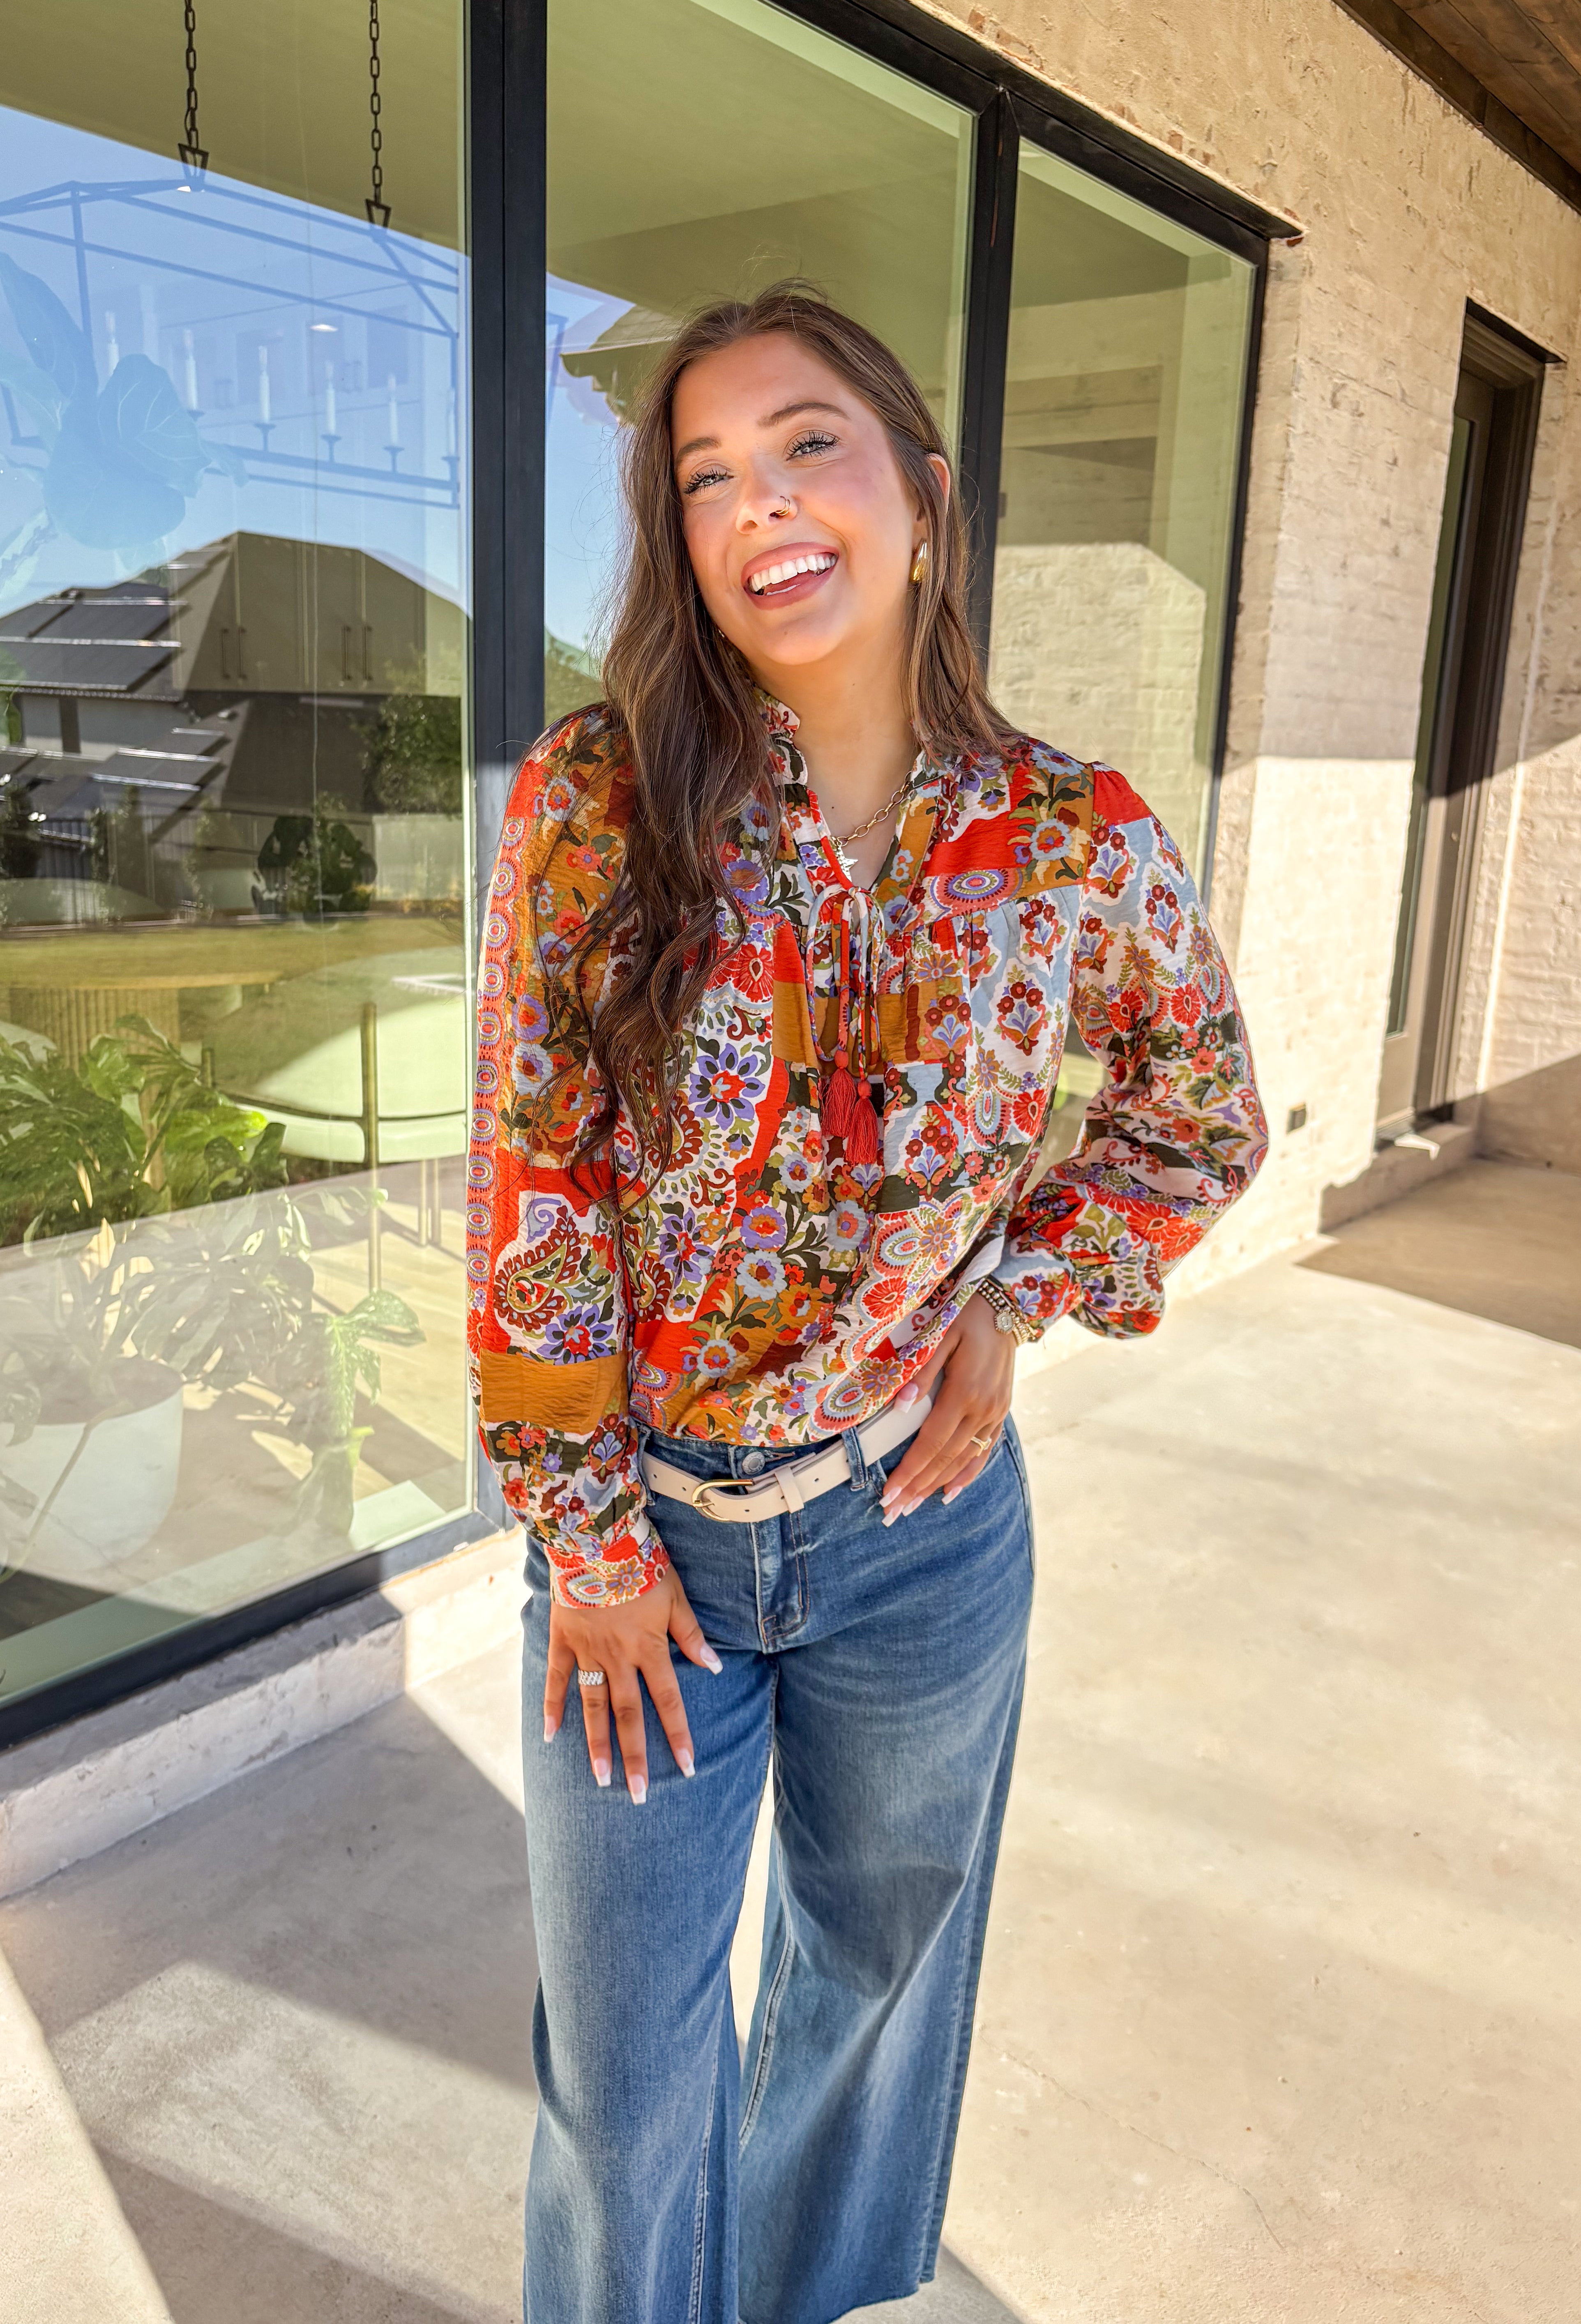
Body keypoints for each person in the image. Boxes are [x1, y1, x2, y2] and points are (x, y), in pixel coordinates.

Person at [468, 281, 1266, 2324]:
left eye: (804, 443)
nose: (759, 502)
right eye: (706, 475)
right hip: (646, 1549)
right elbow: (531, 1195)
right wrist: (586, 1544)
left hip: (920, 1535)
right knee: (627, 2079)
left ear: (922, 494)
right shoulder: (593, 803)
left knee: (873, 1988)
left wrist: (1014, 1292)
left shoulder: (1072, 840)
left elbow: (1197, 1119)